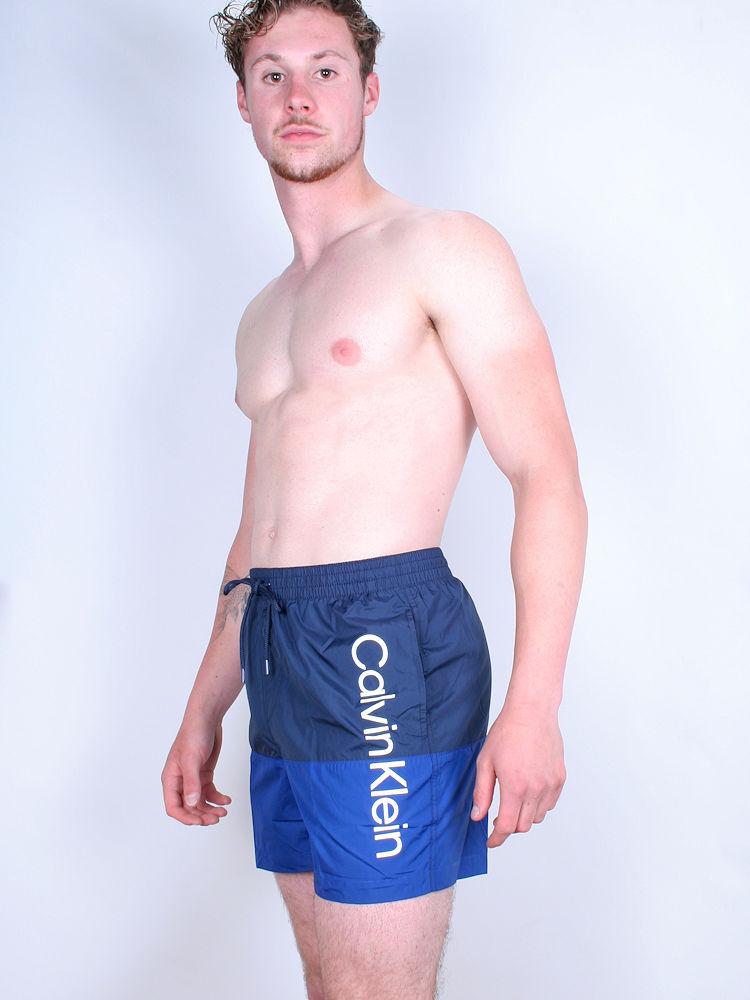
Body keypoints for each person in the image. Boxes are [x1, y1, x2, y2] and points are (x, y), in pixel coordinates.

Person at [161, 1, 588, 997]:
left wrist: (535, 704)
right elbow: (258, 533)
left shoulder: (441, 247)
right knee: (329, 978)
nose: (298, 95)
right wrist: (203, 706)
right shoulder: (265, 312)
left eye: (325, 69)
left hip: (383, 642)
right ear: (243, 101)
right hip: (276, 643)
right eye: (272, 73)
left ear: (369, 90)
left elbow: (546, 472)